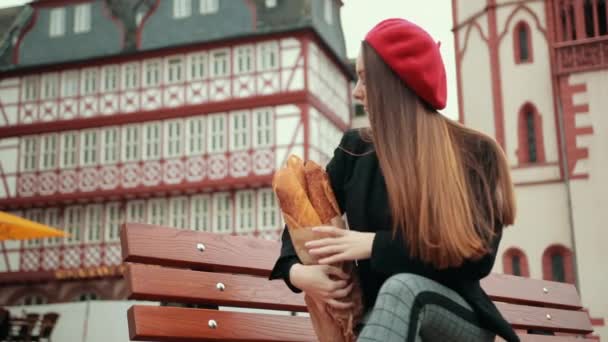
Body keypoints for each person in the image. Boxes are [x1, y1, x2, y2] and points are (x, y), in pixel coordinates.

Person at [269, 18, 519, 342]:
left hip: (457, 320)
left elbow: (477, 258)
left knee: (402, 290)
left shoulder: (474, 153)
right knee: (391, 301)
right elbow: (305, 226)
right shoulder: (354, 151)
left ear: (393, 82)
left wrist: (375, 244)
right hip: (381, 321)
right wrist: (299, 273)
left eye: (363, 78)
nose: (356, 92)